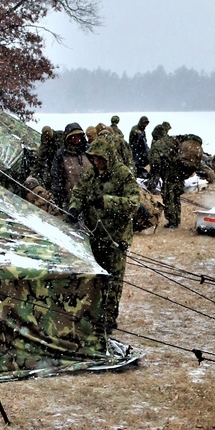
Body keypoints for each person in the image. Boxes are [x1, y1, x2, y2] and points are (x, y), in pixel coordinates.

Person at [68, 134, 140, 333]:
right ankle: (94, 316)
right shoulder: (91, 174)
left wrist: (107, 201)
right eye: (94, 159)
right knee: (96, 279)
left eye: (100, 159)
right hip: (95, 236)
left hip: (116, 238)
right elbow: (79, 193)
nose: (97, 162)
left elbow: (134, 203)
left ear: (108, 157)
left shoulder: (123, 174)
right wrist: (74, 208)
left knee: (113, 281)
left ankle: (108, 320)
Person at [49, 123, 92, 209]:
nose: (76, 139)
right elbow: (56, 177)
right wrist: (59, 198)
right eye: (72, 137)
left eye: (78, 136)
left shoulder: (89, 151)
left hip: (91, 198)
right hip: (71, 200)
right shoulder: (61, 154)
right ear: (67, 138)